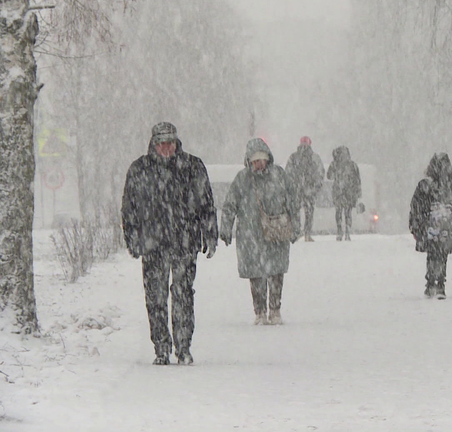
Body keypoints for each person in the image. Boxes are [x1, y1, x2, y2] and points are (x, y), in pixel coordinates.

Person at [121, 122, 218, 365]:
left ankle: (183, 346)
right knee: (155, 297)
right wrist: (132, 237)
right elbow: (129, 207)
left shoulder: (193, 167)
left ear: (177, 143)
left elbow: (206, 203)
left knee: (183, 294)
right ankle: (161, 347)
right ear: (153, 144)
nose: (167, 148)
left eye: (171, 143)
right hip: (153, 244)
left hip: (185, 241)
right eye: (162, 143)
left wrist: (210, 232)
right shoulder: (139, 169)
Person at [219, 138, 300, 326]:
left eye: (262, 159)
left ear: (268, 158)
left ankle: (275, 309)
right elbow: (230, 204)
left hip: (276, 234)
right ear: (249, 161)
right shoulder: (242, 179)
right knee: (255, 275)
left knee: (276, 272)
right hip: (250, 235)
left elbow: (293, 202)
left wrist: (295, 226)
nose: (259, 163)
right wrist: (225, 227)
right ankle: (260, 311)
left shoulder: (280, 175)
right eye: (255, 160)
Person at [409, 153, 452, 300]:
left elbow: (416, 205)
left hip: (430, 225)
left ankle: (431, 282)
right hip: (446, 225)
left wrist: (415, 224)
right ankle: (440, 283)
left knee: (432, 253)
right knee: (442, 254)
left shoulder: (425, 185)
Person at [285, 136, 325, 242]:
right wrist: (315, 187)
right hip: (309, 190)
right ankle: (307, 234)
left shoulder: (293, 157)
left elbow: (287, 173)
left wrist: (292, 186)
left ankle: (296, 232)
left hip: (297, 190)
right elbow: (320, 173)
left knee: (295, 212)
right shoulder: (314, 157)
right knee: (309, 213)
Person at [326, 145, 361, 241]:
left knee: (338, 211)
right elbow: (357, 180)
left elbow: (329, 176)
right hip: (349, 192)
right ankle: (347, 230)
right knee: (348, 212)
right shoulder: (352, 165)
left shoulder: (334, 164)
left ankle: (339, 230)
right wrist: (358, 192)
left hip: (338, 192)